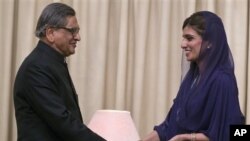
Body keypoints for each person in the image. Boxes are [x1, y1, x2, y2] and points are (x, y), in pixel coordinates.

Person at [142, 11, 245, 141]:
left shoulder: (223, 80)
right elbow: (167, 128)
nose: (182, 44)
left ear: (210, 42)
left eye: (189, 38)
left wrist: (189, 138)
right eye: (183, 38)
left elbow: (233, 133)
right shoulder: (192, 80)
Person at [13, 3, 106, 141]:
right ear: (50, 33)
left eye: (77, 30)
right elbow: (63, 121)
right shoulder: (36, 68)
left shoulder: (52, 63)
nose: (78, 37)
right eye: (72, 31)